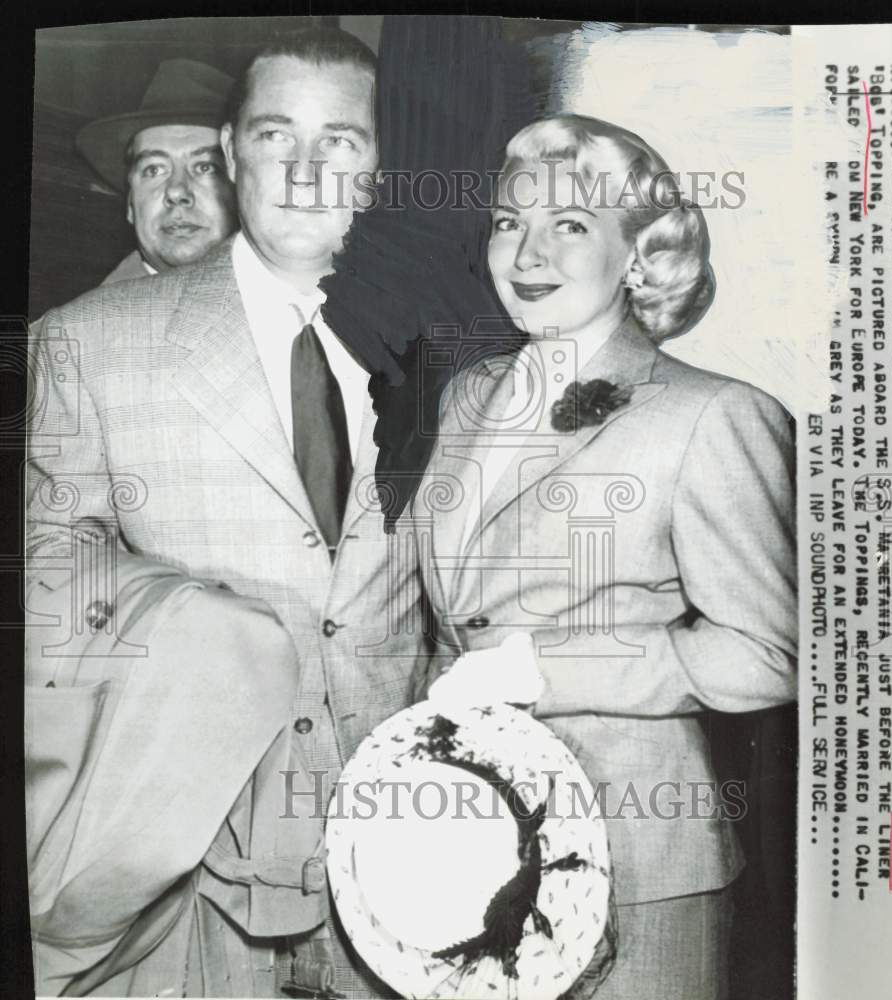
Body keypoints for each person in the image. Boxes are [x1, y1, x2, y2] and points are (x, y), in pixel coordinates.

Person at [27, 26, 427, 998]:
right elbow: (47, 587)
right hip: (189, 884)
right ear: (233, 147)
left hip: (410, 867)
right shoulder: (89, 342)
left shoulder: (454, 343)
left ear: (384, 166)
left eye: (342, 141)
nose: (303, 170)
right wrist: (193, 643)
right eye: (273, 134)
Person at [412, 114, 798, 1000]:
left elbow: (769, 651)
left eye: (570, 226)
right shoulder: (467, 396)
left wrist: (537, 669)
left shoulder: (711, 415)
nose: (527, 251)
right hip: (459, 854)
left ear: (637, 254)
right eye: (509, 222)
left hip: (636, 860)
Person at [76, 58, 237, 284]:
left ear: (244, 195)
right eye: (154, 170)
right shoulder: (87, 318)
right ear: (131, 205)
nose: (177, 192)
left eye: (205, 167)